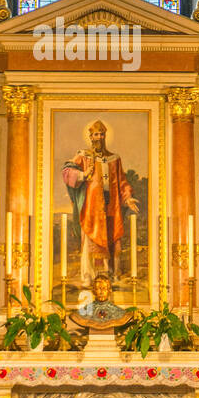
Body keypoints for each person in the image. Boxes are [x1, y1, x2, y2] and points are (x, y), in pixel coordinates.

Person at [62, 119, 139, 282]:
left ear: (105, 136)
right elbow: (67, 171)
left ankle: (110, 275)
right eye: (96, 134)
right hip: (92, 206)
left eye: (102, 134)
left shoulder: (114, 158)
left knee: (112, 238)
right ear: (91, 137)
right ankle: (89, 277)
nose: (99, 137)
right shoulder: (84, 156)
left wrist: (128, 197)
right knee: (91, 239)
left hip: (111, 204)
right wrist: (83, 174)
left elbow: (122, 181)